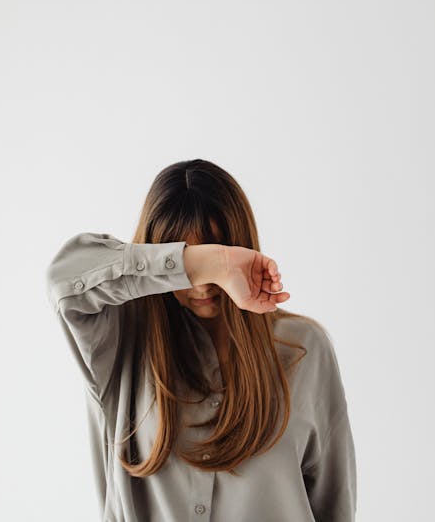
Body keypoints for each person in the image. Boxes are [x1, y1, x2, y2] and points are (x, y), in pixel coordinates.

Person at [46, 159, 357, 521]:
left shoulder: (304, 349)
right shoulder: (120, 341)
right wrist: (214, 262)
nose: (204, 285)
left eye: (219, 249)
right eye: (192, 264)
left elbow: (335, 502)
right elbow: (65, 279)